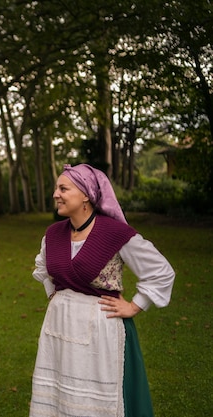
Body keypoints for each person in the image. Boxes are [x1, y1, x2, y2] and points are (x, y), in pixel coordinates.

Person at [29, 163, 176, 417]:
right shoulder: (53, 234)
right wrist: (57, 296)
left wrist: (135, 304)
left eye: (63, 188)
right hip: (59, 328)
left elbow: (160, 271)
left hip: (100, 331)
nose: (56, 194)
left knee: (94, 403)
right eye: (56, 188)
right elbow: (43, 268)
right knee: (60, 397)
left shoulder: (115, 233)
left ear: (85, 194)